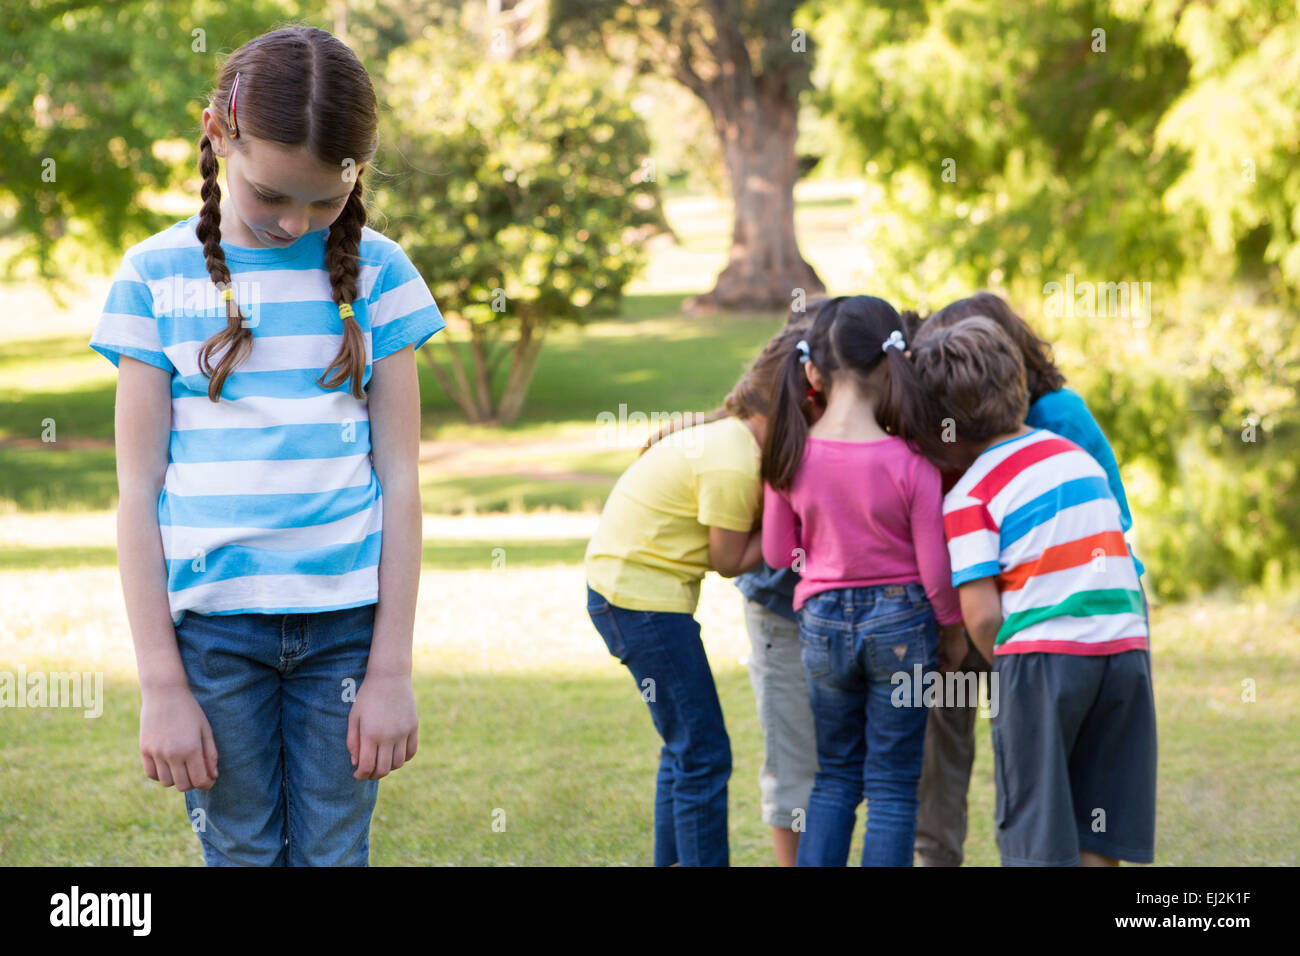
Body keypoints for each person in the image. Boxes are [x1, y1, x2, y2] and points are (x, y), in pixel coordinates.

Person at [88, 26, 443, 865]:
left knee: (332, 852)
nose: (299, 222)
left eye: (327, 199)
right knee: (241, 852)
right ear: (218, 134)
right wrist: (162, 684)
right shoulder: (152, 278)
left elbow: (400, 478)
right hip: (213, 637)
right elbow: (138, 491)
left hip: (346, 632)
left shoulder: (382, 275)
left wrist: (389, 670)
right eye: (273, 196)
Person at [910, 291, 1147, 867]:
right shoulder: (1074, 458)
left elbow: (983, 616)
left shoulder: (974, 490)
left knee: (1036, 821)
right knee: (1103, 813)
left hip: (1030, 648)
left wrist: (1012, 665)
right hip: (1120, 643)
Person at [584, 324, 807, 866]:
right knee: (705, 755)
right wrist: (787, 529)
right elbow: (729, 561)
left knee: (683, 750)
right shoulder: (735, 460)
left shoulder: (728, 436)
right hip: (641, 605)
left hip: (623, 596)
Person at [761, 295, 966, 867]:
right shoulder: (912, 462)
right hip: (902, 626)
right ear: (891, 365)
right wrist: (952, 633)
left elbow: (779, 552)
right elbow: (934, 570)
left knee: (835, 779)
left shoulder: (789, 455)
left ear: (812, 370)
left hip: (821, 624)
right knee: (895, 787)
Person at [731, 301, 831, 867]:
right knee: (793, 759)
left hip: (847, 610)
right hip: (780, 612)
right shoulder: (756, 440)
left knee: (834, 766)